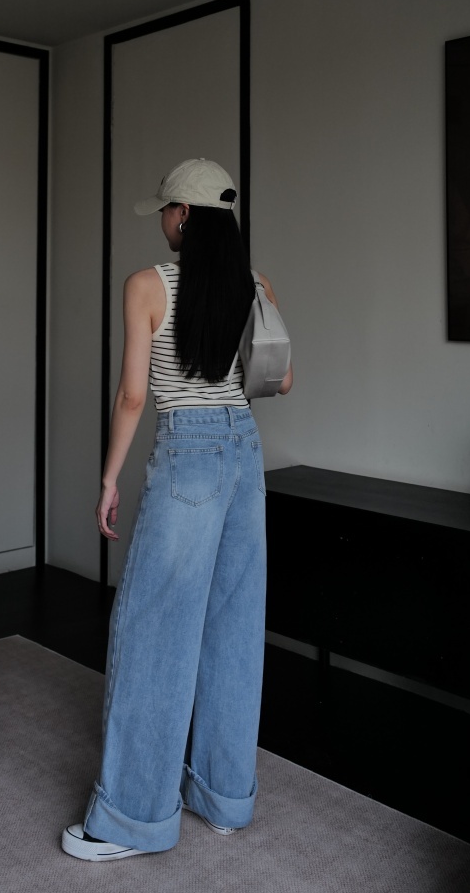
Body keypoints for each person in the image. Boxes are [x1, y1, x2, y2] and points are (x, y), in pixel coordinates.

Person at [61, 157, 293, 863]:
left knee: (155, 628)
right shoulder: (255, 284)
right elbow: (282, 379)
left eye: (166, 209)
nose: (163, 220)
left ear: (184, 215)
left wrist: (109, 477)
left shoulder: (147, 285)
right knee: (233, 624)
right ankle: (223, 798)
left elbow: (133, 395)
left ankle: (132, 818)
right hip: (244, 450)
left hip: (188, 450)